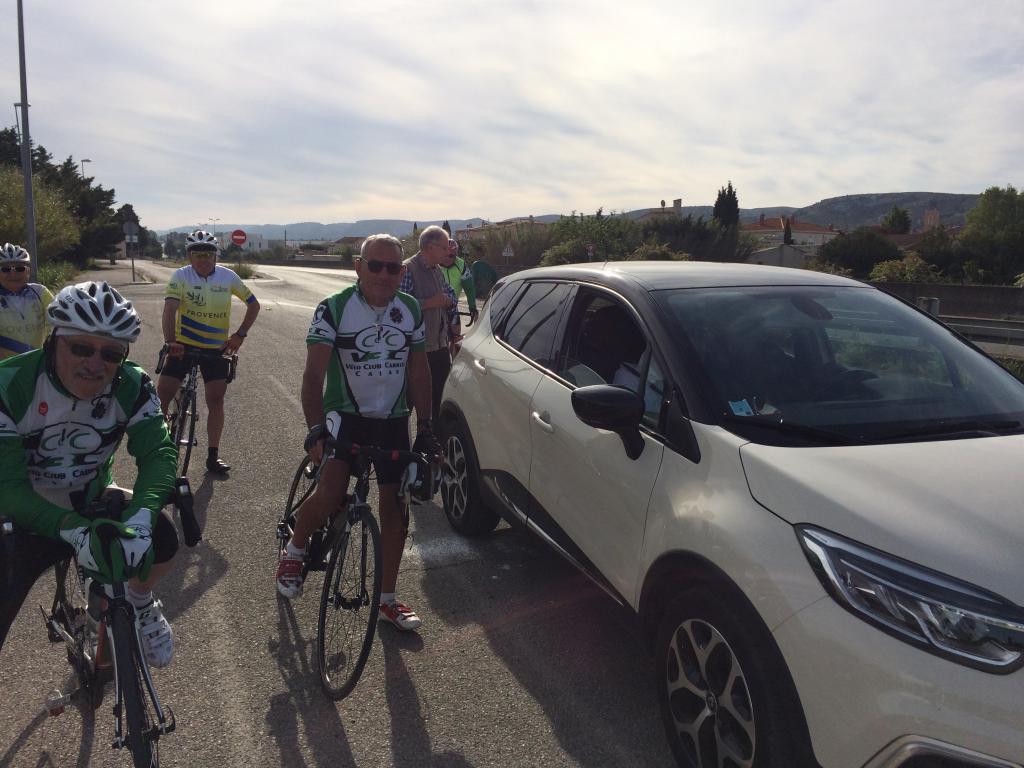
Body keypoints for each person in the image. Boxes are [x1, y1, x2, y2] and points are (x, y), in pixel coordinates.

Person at [0, 281, 179, 666]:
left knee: (164, 539)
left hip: (90, 497)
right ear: (53, 341)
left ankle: (140, 601)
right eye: (81, 348)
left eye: (111, 353)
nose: (96, 364)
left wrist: (142, 518)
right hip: (23, 510)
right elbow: (8, 487)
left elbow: (158, 453)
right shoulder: (9, 384)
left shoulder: (132, 384)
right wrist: (73, 530)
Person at [275, 234, 440, 631]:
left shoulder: (410, 308)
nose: (384, 275)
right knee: (331, 490)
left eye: (393, 267)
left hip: (393, 418)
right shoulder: (334, 308)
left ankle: (387, 600)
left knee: (396, 510)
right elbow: (313, 376)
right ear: (358, 267)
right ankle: (294, 550)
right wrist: (316, 429)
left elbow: (420, 372)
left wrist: (426, 426)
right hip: (345, 415)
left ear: (401, 271)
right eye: (375, 266)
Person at [156, 230, 260, 475]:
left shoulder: (228, 276)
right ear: (189, 256)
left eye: (208, 254)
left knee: (216, 399)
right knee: (162, 394)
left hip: (215, 348)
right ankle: (157, 447)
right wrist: (170, 341)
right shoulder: (181, 276)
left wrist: (240, 335)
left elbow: (254, 305)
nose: (203, 259)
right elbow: (169, 310)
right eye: (198, 254)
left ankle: (213, 455)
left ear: (216, 255)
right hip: (183, 345)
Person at [400, 225, 460, 421]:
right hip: (416, 350)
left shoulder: (436, 270)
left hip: (439, 346)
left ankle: (430, 437)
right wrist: (428, 303)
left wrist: (447, 301)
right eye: (444, 247)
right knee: (407, 402)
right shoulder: (408, 269)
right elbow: (398, 307)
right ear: (430, 247)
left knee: (438, 400)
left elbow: (451, 295)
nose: (448, 251)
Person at [0, 243, 53, 360]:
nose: (13, 273)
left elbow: (60, 319)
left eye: (20, 268)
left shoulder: (40, 292)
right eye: (5, 269)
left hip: (36, 363)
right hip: (5, 366)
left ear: (28, 271)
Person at [438, 238, 478, 324]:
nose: (448, 258)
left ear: (456, 255)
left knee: (456, 330)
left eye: (451, 256)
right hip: (436, 307)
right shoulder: (435, 264)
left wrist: (472, 307)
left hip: (452, 305)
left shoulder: (461, 264)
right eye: (445, 255)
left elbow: (469, 289)